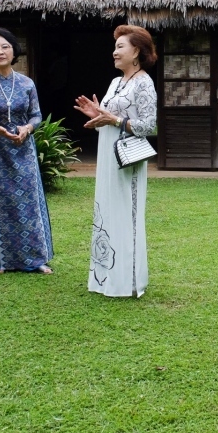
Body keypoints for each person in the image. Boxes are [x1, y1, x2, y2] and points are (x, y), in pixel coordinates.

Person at [74, 25, 158, 298]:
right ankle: (107, 278)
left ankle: (129, 281)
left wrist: (114, 119)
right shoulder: (115, 82)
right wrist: (97, 114)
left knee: (127, 215)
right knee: (108, 212)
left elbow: (149, 126)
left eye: (120, 46)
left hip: (127, 159)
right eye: (115, 46)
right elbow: (109, 120)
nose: (114, 51)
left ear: (136, 51)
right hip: (107, 155)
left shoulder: (144, 82)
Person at [0, 28, 54, 275]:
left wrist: (27, 128)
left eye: (4, 46)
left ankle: (35, 259)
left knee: (29, 203)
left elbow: (36, 115)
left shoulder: (27, 83)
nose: (0, 52)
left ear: (14, 50)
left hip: (23, 149)